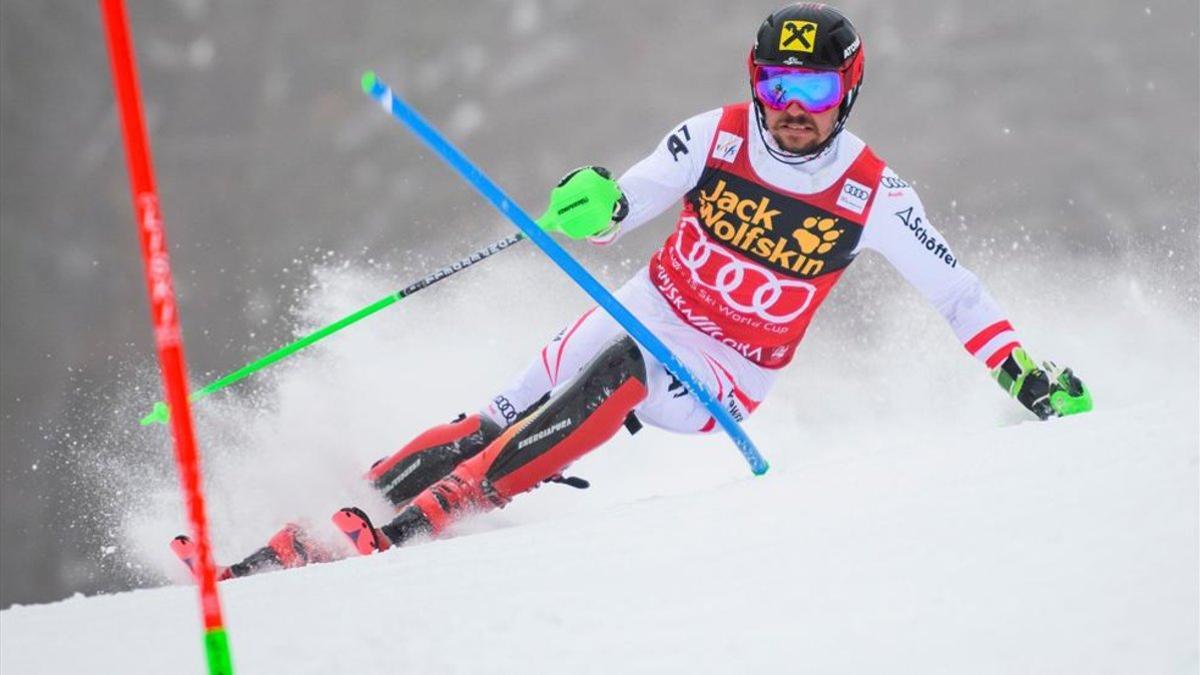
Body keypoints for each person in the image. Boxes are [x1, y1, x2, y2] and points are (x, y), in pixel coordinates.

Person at [173, 3, 1092, 579]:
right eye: (777, 83)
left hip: (726, 369)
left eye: (812, 86)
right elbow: (628, 201)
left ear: (846, 90)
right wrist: (598, 201)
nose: (792, 107)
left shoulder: (871, 192)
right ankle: (310, 526)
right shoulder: (718, 135)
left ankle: (410, 529)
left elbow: (958, 295)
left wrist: (1025, 377)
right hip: (648, 306)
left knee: (621, 371)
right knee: (493, 417)